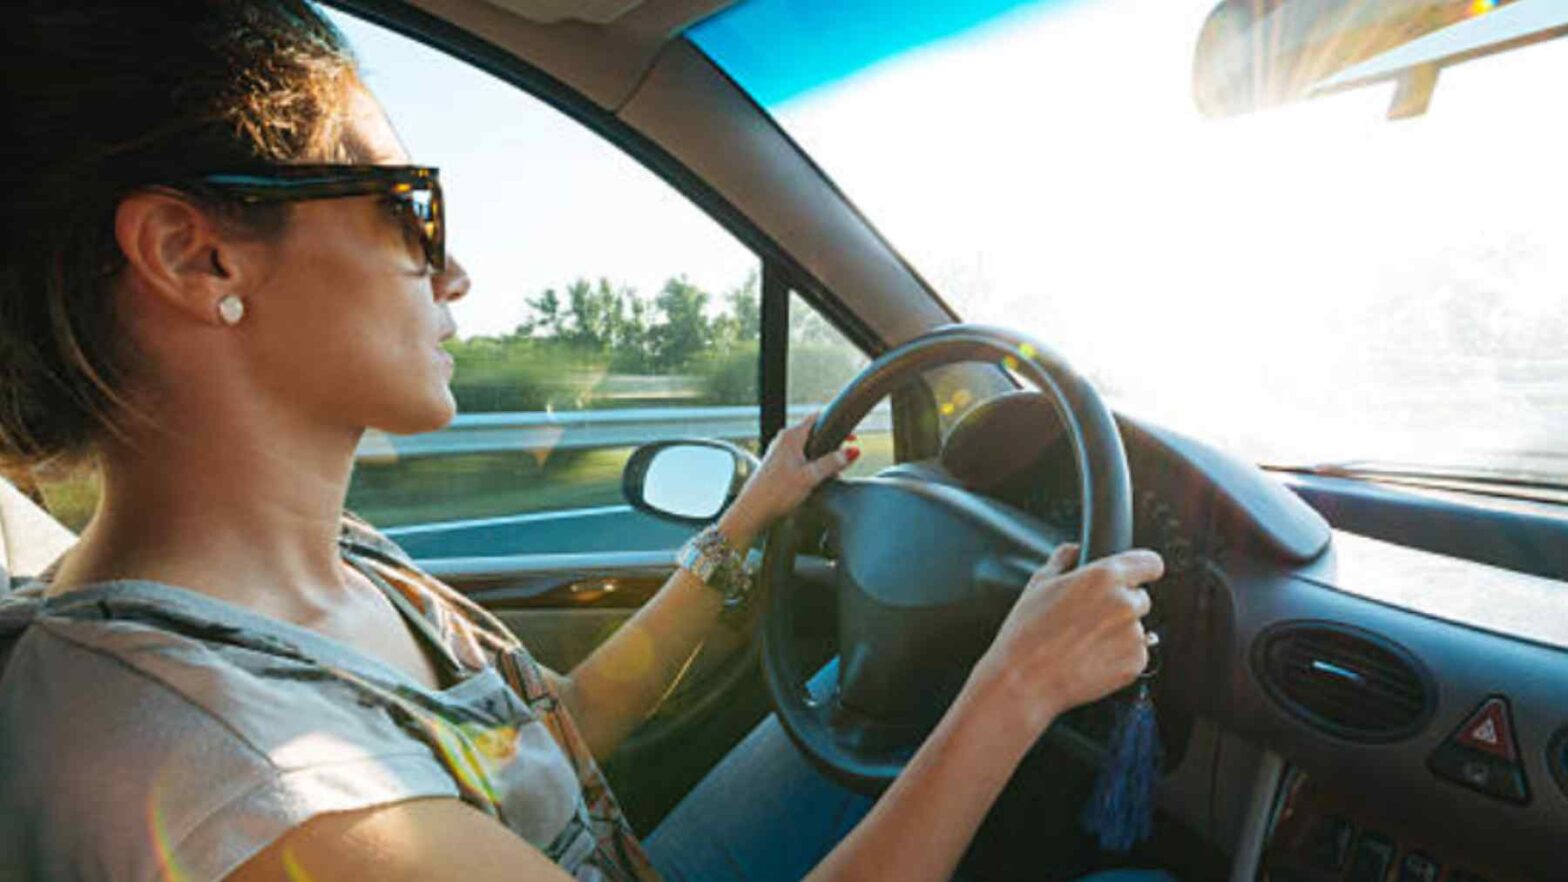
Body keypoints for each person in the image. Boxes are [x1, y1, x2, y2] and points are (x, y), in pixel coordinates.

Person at [0, 2, 1170, 881]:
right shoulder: (259, 785)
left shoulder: (321, 568)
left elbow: (542, 737)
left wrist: (743, 524)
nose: (455, 271)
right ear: (196, 256)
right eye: (409, 209)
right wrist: (1017, 686)